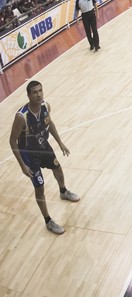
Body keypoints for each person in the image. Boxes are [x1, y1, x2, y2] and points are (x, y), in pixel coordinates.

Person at [9, 80, 80, 235]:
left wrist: (60, 143)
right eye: (34, 92)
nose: (39, 94)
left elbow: (50, 123)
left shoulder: (46, 106)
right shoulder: (21, 116)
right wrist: (22, 165)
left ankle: (63, 191)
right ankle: (48, 221)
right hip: (30, 156)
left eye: (40, 90)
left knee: (58, 169)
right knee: (40, 188)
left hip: (44, 147)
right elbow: (12, 141)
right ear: (28, 95)